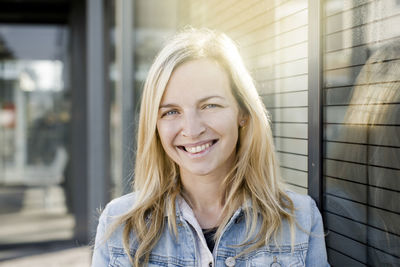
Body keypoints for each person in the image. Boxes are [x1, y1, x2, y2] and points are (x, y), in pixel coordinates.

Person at [92, 28, 329, 267]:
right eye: (171, 112)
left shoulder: (298, 219)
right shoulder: (120, 226)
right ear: (155, 124)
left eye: (210, 106)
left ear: (243, 113)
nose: (192, 130)